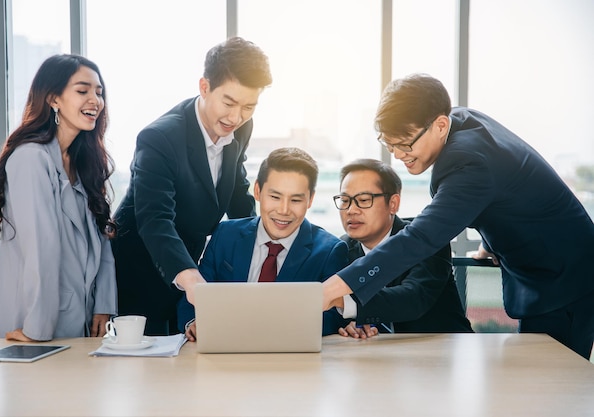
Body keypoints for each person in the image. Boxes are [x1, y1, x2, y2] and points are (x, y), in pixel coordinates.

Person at [323, 73, 594, 359]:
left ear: (439, 125)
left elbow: (421, 237)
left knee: (552, 381)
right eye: (390, 145)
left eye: (405, 144)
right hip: (550, 271)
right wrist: (492, 242)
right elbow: (508, 191)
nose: (398, 155)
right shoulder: (461, 121)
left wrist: (335, 288)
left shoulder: (468, 161)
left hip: (564, 281)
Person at [112, 37, 272, 335]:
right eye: (229, 102)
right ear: (204, 87)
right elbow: (155, 220)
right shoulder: (159, 138)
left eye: (249, 106)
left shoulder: (241, 127)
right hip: (140, 266)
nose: (236, 117)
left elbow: (237, 189)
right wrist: (190, 278)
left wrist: (260, 243)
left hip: (191, 264)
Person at [0, 54, 117, 341]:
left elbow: (102, 238)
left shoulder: (83, 163)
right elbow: (40, 248)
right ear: (54, 99)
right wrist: (36, 331)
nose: (94, 100)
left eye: (99, 92)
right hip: (35, 325)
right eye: (82, 91)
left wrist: (104, 305)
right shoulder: (31, 159)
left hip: (80, 323)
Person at [178, 147, 348, 341]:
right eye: (275, 197)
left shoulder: (329, 250)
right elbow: (196, 293)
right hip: (223, 350)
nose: (284, 210)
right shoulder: (225, 235)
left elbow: (333, 317)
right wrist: (193, 323)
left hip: (292, 357)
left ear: (310, 200)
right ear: (257, 191)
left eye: (295, 200)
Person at [333, 159, 473, 338]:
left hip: (443, 351)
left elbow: (413, 299)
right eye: (345, 201)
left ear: (393, 204)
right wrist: (352, 326)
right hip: (376, 357)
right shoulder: (341, 249)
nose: (351, 210)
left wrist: (341, 300)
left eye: (363, 200)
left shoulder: (425, 238)